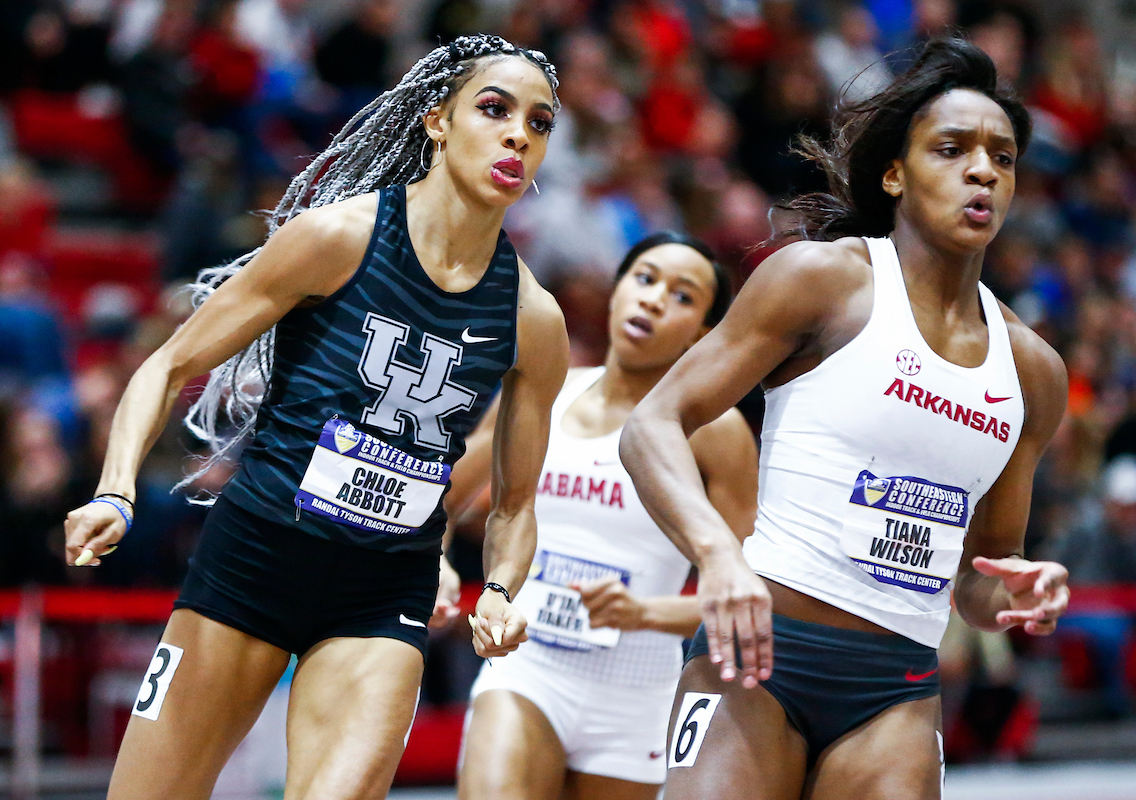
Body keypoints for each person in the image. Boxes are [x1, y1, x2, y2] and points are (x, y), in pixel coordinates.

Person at [62, 34, 569, 800]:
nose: (516, 136)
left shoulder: (534, 318)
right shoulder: (339, 238)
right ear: (436, 120)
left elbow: (517, 501)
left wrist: (499, 589)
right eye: (494, 109)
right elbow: (168, 366)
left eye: (539, 124)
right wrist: (115, 490)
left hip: (384, 590)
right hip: (256, 559)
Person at [621, 38, 1071, 800]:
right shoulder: (823, 282)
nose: (983, 170)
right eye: (952, 149)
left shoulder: (1032, 369)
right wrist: (718, 555)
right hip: (758, 657)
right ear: (895, 173)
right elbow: (652, 426)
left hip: (894, 689)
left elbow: (981, 579)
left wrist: (1017, 592)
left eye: (1002, 156)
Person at [447, 232, 758, 800]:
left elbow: (749, 597)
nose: (655, 299)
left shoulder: (716, 434)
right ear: (615, 294)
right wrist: (438, 561)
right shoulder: (544, 395)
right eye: (644, 279)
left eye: (683, 296)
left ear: (705, 335)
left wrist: (647, 612)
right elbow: (438, 497)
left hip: (638, 694)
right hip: (527, 663)